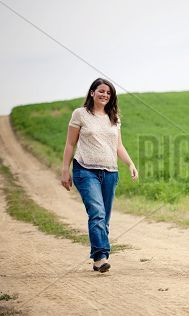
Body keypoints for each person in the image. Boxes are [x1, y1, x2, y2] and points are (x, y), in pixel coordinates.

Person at [60, 78, 138, 273]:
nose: (105, 95)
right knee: (97, 213)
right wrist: (64, 169)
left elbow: (118, 146)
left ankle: (99, 255)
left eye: (108, 93)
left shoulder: (114, 118)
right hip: (85, 170)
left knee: (104, 219)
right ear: (92, 93)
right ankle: (100, 257)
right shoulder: (80, 114)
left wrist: (130, 164)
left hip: (110, 172)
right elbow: (70, 143)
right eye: (101, 91)